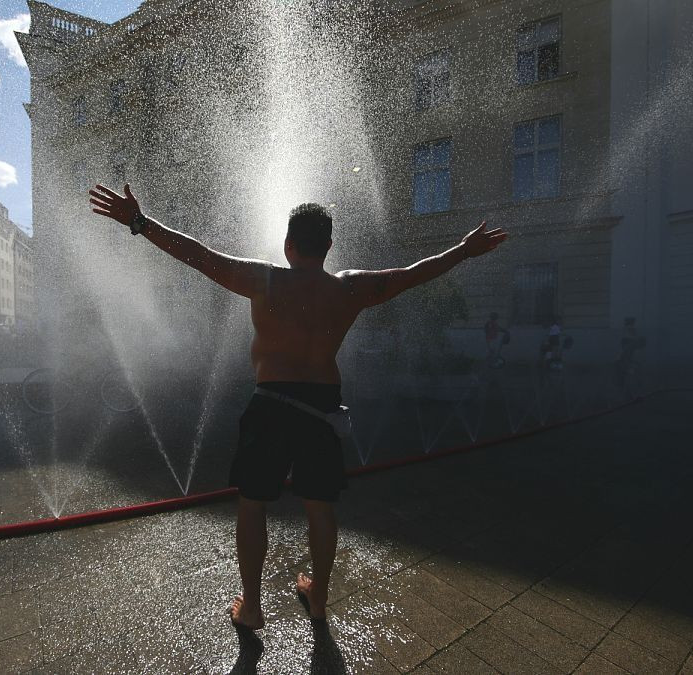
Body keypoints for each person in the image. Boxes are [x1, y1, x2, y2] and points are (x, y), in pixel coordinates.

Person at [88, 183, 507, 629]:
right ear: (328, 246)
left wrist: (140, 222)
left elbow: (199, 256)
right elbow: (410, 273)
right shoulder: (351, 289)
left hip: (270, 403)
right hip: (322, 407)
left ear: (288, 245)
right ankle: (319, 598)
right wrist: (463, 250)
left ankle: (251, 607)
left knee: (252, 504)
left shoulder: (263, 279)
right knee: (320, 507)